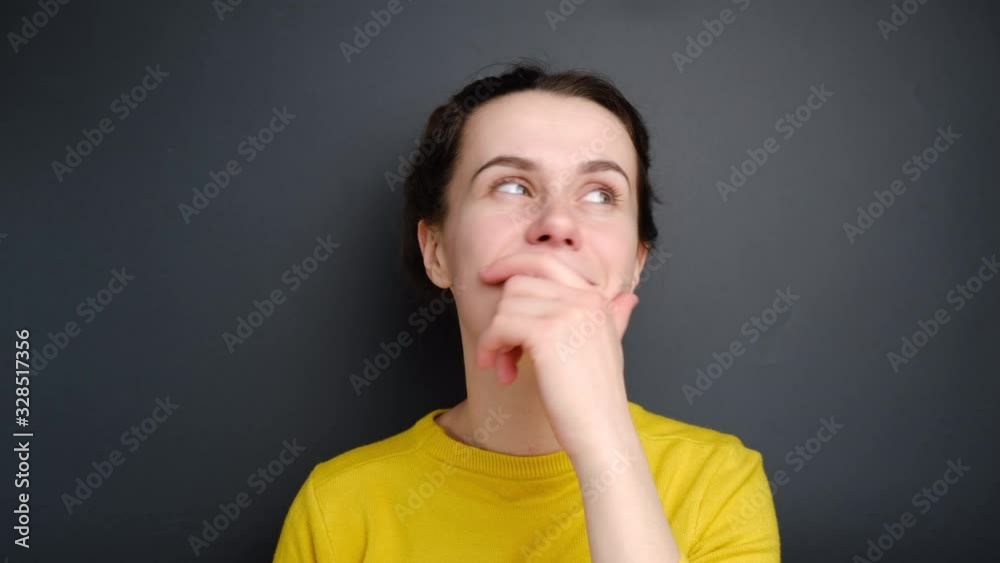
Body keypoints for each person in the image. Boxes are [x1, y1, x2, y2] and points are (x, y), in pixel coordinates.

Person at [273, 60, 781, 562]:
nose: (557, 222)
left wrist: (604, 442)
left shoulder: (718, 482)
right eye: (512, 185)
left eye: (601, 194)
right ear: (437, 251)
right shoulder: (338, 508)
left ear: (634, 265)